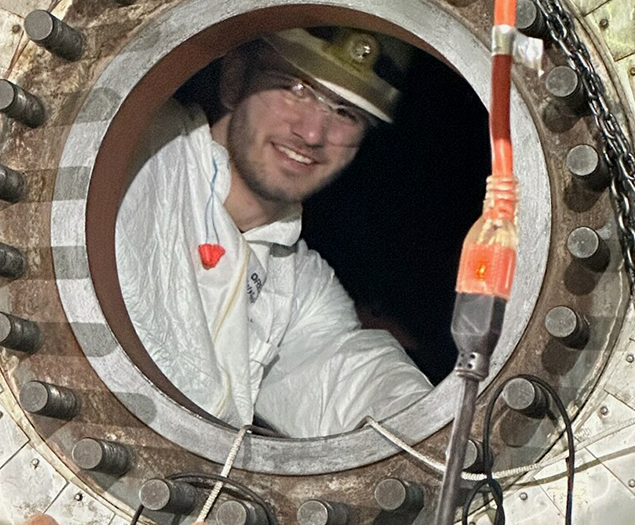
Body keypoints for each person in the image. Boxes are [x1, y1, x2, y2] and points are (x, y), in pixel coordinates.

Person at [116, 27, 433, 438]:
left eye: (345, 112)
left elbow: (349, 376)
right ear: (234, 80)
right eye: (296, 87)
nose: (313, 133)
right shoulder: (137, 149)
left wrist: (426, 426)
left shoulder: (300, 282)